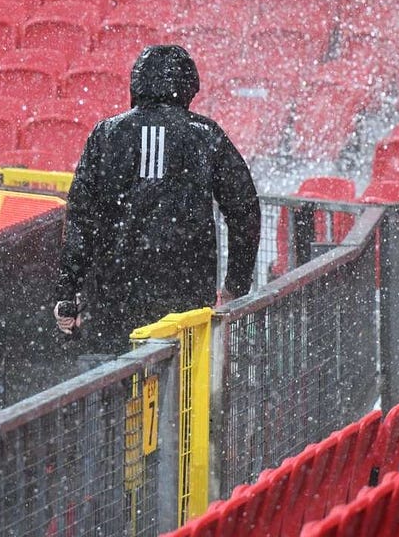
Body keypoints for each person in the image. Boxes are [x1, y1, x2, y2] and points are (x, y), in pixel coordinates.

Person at [52, 44, 261, 352]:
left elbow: (81, 220)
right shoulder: (205, 133)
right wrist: (235, 286)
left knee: (119, 380)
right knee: (184, 385)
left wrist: (68, 292)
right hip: (186, 292)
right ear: (188, 87)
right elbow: (244, 211)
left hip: (116, 293)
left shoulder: (107, 134)